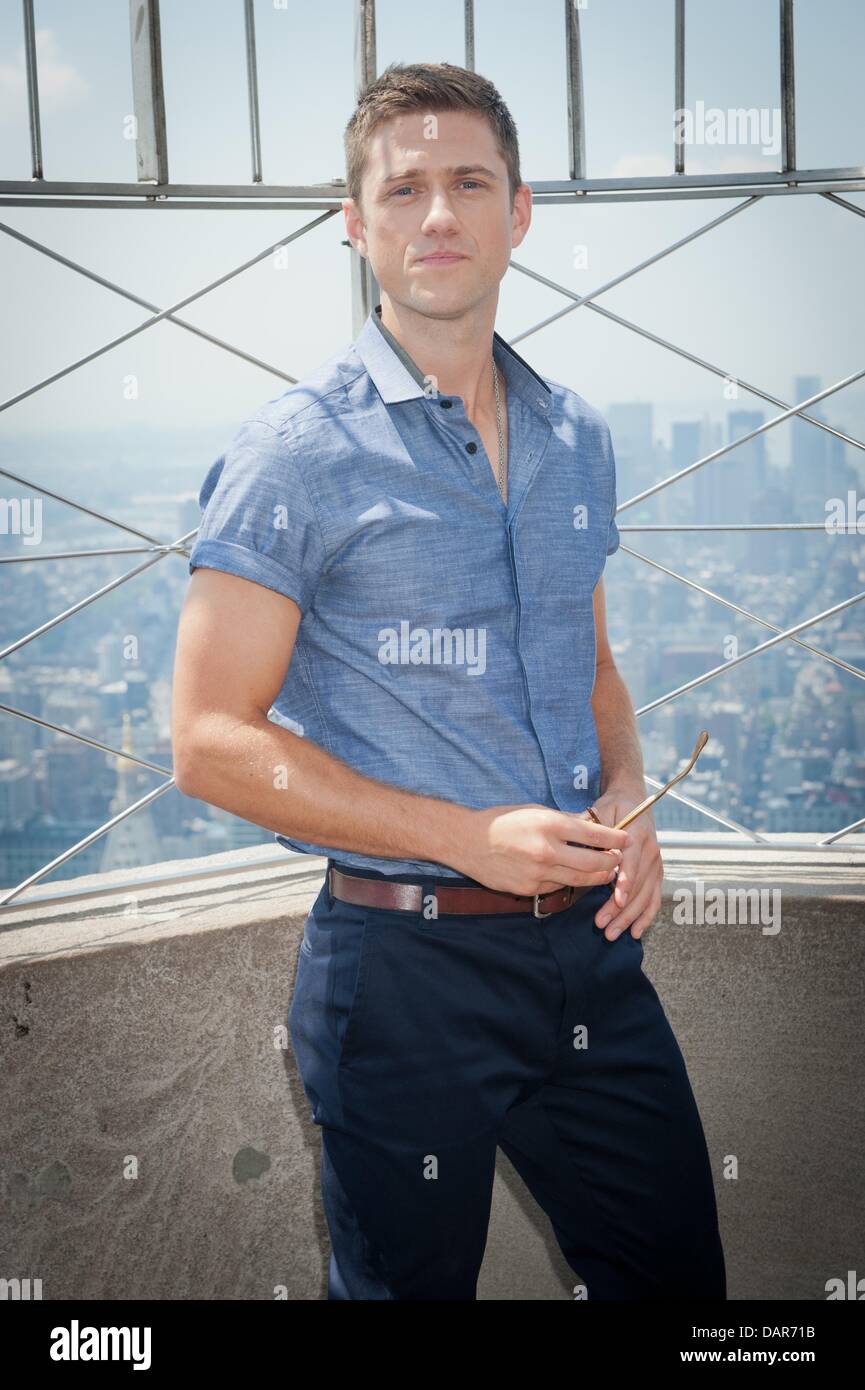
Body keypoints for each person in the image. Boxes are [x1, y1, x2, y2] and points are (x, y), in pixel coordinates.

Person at [171, 61, 726, 1301]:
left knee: (683, 1287)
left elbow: (588, 665)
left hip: (590, 953)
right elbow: (206, 738)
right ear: (355, 223)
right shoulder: (294, 452)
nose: (438, 215)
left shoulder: (576, 432)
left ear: (517, 211)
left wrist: (631, 798)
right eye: (403, 187)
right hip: (402, 971)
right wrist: (464, 836)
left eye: (468, 182)